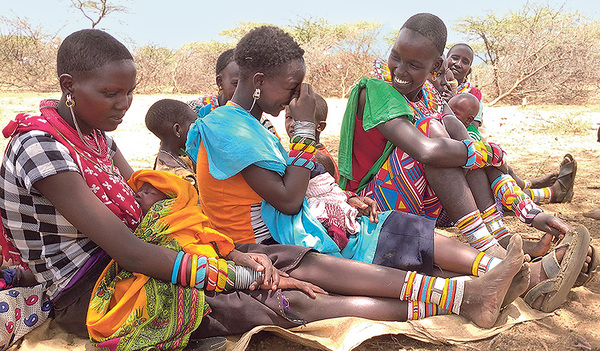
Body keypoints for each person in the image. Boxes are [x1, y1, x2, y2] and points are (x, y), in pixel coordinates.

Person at [0, 28, 540, 349]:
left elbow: (154, 215)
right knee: (267, 301)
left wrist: (236, 251)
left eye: (129, 93)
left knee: (290, 259)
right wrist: (235, 268)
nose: (123, 106)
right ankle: (456, 297)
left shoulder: (96, 136)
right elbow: (128, 248)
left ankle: (467, 293)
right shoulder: (40, 147)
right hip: (93, 285)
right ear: (69, 87)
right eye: (110, 93)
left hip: (154, 249)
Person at [146, 99, 198, 190]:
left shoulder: (167, 159)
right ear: (177, 130)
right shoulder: (179, 175)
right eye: (193, 126)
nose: (197, 130)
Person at [284, 93, 339, 182]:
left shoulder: (317, 160)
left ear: (320, 126)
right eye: (289, 117)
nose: (292, 124)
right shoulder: (299, 153)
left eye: (301, 120)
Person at [187, 49, 239, 116]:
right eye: (236, 84)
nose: (244, 90)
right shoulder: (195, 110)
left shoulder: (253, 110)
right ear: (219, 82)